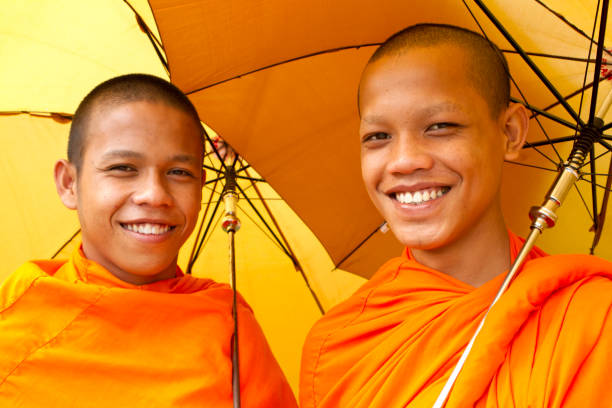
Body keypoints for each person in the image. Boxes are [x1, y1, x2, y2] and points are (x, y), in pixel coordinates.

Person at [300, 24, 612, 407]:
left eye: (441, 127)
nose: (404, 161)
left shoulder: (592, 319)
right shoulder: (338, 345)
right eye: (378, 137)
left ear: (511, 132)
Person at [0, 74, 297, 407]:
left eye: (179, 173)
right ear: (69, 183)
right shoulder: (19, 312)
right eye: (124, 167)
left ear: (201, 185)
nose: (155, 195)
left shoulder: (229, 326)